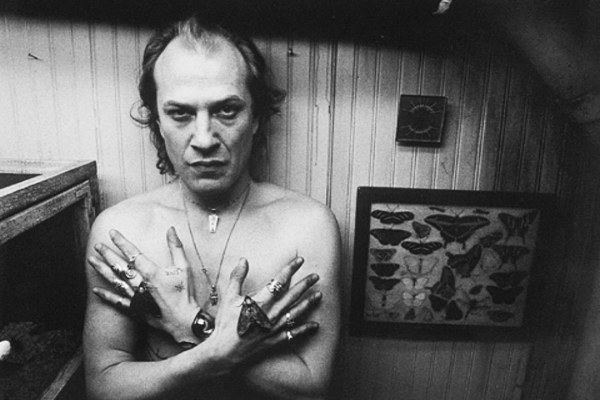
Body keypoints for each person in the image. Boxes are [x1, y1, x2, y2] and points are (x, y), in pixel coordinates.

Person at [83, 15, 341, 400]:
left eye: (226, 110)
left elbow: (311, 388)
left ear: (256, 117)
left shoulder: (308, 227)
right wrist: (215, 349)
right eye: (180, 113)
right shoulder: (121, 231)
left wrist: (193, 324)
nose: (204, 139)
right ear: (157, 120)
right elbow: (103, 386)